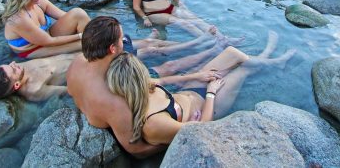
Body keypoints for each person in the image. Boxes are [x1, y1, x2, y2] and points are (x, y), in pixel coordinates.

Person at [67, 16, 231, 157]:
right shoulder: (115, 100)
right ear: (112, 49)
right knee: (172, 69)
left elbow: (71, 91)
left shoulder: (78, 63)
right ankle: (212, 49)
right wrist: (173, 135)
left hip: (125, 97)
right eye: (121, 39)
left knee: (171, 69)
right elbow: (137, 150)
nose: (124, 42)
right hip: (163, 118)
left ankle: (208, 48)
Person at [106, 33, 295, 146]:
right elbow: (202, 128)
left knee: (232, 53)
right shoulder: (153, 123)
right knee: (243, 69)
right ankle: (273, 60)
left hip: (194, 90)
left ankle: (268, 58)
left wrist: (196, 76)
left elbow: (163, 80)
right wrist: (212, 92)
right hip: (210, 107)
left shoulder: (141, 88)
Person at [0, 27, 223, 102]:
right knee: (167, 67)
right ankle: (211, 49)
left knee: (151, 47)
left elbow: (57, 50)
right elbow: (74, 91)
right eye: (11, 69)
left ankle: (201, 43)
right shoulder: (35, 90)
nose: (13, 64)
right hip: (105, 68)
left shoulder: (23, 64)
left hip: (96, 52)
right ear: (14, 86)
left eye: (9, 64)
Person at [3, 0, 89, 59]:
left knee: (78, 13)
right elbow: (49, 41)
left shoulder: (40, 3)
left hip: (48, 36)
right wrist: (81, 36)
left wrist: (94, 27)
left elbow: (67, 17)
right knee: (86, 43)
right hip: (32, 49)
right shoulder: (19, 19)